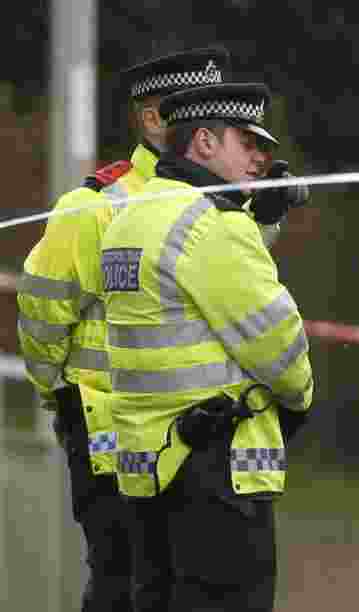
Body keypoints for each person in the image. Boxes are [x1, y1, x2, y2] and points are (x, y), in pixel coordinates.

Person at [16, 45, 230, 612]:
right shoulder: (97, 205)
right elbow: (41, 311)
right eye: (196, 113)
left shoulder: (222, 203)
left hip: (198, 438)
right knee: (123, 580)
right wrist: (60, 396)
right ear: (153, 119)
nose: (213, 129)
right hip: (109, 435)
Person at [100, 82, 314, 612]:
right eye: (248, 142)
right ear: (204, 142)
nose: (262, 157)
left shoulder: (131, 214)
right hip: (216, 471)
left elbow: (189, 300)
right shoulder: (214, 225)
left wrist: (256, 220)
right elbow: (280, 350)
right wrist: (300, 398)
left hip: (148, 467)